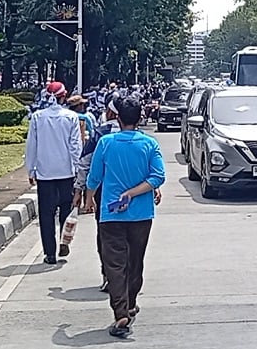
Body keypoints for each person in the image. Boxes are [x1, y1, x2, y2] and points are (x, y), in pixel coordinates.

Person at [86, 96, 165, 338]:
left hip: (110, 214)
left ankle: (121, 312)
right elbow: (157, 176)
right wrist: (138, 192)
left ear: (117, 118)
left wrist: (89, 198)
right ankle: (129, 304)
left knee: (114, 264)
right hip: (141, 215)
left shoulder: (106, 143)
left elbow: (94, 176)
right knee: (135, 262)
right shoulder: (149, 144)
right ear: (140, 118)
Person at [25, 81, 82, 264]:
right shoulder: (71, 117)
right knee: (66, 210)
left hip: (45, 173)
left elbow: (31, 145)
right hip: (66, 172)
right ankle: (63, 241)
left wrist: (31, 169)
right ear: (63, 96)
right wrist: (78, 169)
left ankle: (50, 253)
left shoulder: (37, 117)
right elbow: (75, 146)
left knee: (47, 214)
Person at [75, 96, 123, 292]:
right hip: (135, 196)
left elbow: (85, 164)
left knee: (106, 236)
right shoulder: (141, 137)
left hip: (104, 194)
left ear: (111, 113)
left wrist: (81, 191)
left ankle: (109, 275)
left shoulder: (100, 134)